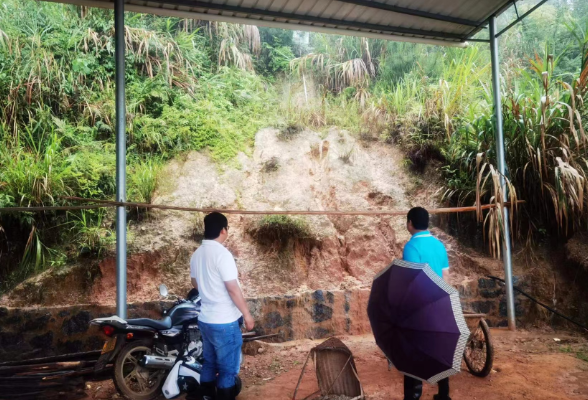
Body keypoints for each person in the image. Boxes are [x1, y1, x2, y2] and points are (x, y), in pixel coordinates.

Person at [190, 212, 255, 400]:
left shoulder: (197, 254)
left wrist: (209, 291)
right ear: (223, 230)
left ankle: (207, 397)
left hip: (205, 319)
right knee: (227, 371)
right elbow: (233, 289)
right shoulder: (222, 254)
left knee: (209, 363)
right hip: (224, 321)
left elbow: (195, 283)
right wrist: (247, 315)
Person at [402, 207, 451, 400]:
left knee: (411, 354)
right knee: (440, 352)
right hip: (440, 305)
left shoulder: (411, 247)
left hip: (420, 310)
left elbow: (412, 280)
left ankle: (413, 396)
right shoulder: (439, 245)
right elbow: (446, 275)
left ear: (410, 223)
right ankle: (444, 395)